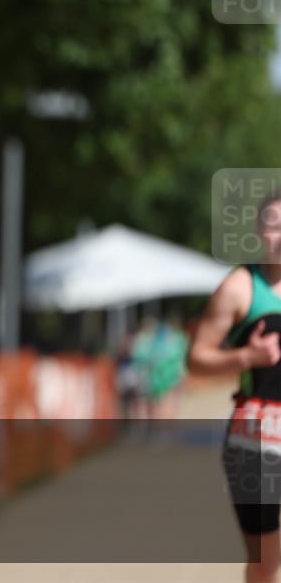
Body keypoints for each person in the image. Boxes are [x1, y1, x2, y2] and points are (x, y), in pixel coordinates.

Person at [189, 191, 281, 583]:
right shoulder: (240, 288)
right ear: (259, 230)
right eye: (274, 222)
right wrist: (247, 357)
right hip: (257, 433)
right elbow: (196, 357)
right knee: (265, 565)